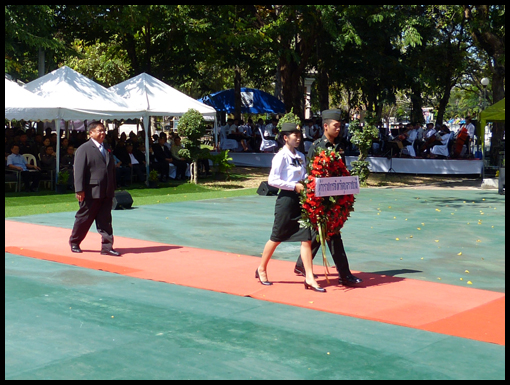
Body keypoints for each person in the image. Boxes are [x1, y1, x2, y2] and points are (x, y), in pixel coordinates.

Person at [295, 110, 363, 287]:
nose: (339, 129)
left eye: (340, 126)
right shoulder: (317, 146)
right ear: (326, 126)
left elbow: (341, 170)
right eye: (336, 126)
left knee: (324, 234)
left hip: (336, 198)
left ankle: (302, 265)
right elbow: (313, 174)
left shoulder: (340, 145)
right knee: (330, 234)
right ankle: (344, 274)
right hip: (322, 199)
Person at [257, 123, 325, 293]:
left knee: (306, 238)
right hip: (286, 200)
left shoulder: (301, 156)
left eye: (299, 134)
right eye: (294, 134)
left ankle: (309, 276)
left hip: (301, 200)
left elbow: (305, 176)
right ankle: (262, 268)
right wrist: (293, 186)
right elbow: (272, 180)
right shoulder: (281, 156)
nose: (298, 137)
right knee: (277, 237)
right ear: (285, 138)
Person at [69, 122, 120, 257]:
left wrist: (112, 187)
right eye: (99, 131)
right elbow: (78, 171)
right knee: (84, 219)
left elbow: (111, 169)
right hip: (91, 191)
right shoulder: (84, 149)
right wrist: (79, 189)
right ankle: (75, 241)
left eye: (104, 131)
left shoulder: (107, 148)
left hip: (106, 191)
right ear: (91, 133)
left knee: (106, 221)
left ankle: (107, 247)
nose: (102, 133)